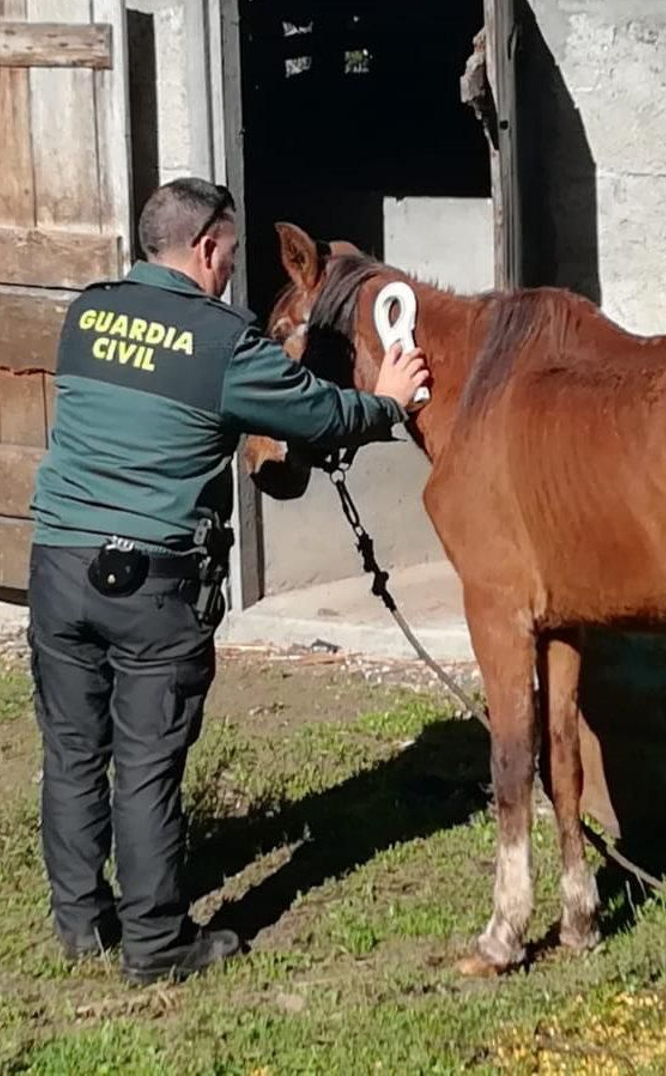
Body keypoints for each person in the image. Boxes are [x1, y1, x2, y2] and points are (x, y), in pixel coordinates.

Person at [27, 178, 428, 986]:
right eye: (231, 258)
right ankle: (156, 942)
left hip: (57, 563)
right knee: (147, 761)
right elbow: (313, 413)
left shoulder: (85, 314)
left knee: (72, 749)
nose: (230, 275)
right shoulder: (219, 341)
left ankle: (81, 922)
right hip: (151, 580)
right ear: (207, 248)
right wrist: (384, 403)